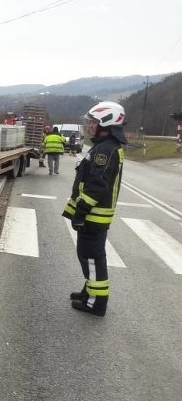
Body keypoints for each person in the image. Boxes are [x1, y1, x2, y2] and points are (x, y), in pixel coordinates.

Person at [62, 101, 126, 317]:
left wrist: (80, 212)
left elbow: (96, 186)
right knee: (87, 255)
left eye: (93, 122)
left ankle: (96, 303)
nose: (89, 126)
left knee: (91, 257)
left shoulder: (105, 150)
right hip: (93, 216)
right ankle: (89, 291)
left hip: (93, 217)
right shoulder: (103, 146)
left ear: (106, 124)